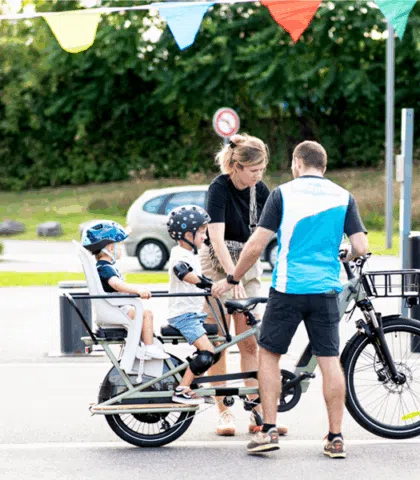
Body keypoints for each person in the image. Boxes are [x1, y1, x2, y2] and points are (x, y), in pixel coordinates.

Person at [213, 140, 369, 457]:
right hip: (325, 290)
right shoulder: (343, 196)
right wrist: (345, 255)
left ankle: (268, 430)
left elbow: (256, 245)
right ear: (323, 166)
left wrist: (233, 278)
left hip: (288, 288)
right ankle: (335, 438)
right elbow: (361, 247)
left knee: (269, 356)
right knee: (329, 361)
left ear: (298, 163)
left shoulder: (283, 194)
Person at [199, 133, 287, 436]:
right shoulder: (219, 188)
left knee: (249, 340)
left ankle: (256, 409)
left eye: (262, 169)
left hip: (247, 263)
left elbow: (274, 229)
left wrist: (239, 275)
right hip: (217, 263)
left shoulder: (259, 190)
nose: (258, 175)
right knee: (219, 340)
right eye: (253, 170)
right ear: (236, 166)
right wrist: (229, 277)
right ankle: (224, 412)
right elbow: (216, 238)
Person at [82, 221, 169, 360]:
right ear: (111, 248)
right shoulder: (105, 268)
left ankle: (142, 346)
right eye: (119, 245)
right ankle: (149, 347)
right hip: (117, 310)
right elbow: (117, 285)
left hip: (115, 308)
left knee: (142, 313)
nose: (121, 249)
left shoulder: (103, 267)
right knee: (146, 314)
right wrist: (138, 289)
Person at [165, 204, 220, 405]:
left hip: (193, 315)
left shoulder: (190, 254)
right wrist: (204, 282)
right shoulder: (179, 255)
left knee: (217, 348)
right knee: (206, 353)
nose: (205, 237)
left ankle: (192, 384)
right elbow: (183, 272)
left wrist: (212, 284)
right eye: (202, 232)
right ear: (188, 234)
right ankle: (183, 389)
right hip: (184, 316)